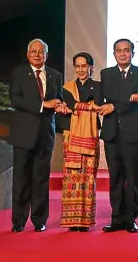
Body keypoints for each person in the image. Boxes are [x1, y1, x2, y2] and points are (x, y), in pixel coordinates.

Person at [9, 38, 64, 232]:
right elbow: (15, 99)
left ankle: (39, 220)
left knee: (41, 180)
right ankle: (19, 221)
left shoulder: (55, 75)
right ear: (27, 54)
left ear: (46, 55)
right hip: (23, 135)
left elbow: (59, 100)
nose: (37, 54)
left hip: (45, 135)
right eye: (34, 51)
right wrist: (43, 105)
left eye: (41, 51)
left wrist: (62, 106)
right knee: (21, 180)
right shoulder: (19, 73)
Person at [100, 38, 138, 233]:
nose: (123, 54)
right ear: (114, 54)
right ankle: (116, 218)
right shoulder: (106, 74)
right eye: (119, 51)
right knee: (115, 177)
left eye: (127, 50)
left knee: (132, 177)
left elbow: (137, 96)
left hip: (134, 132)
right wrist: (129, 97)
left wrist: (115, 103)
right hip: (112, 132)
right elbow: (108, 92)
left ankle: (131, 218)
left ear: (133, 53)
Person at [59, 52, 102, 232]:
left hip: (90, 137)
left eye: (84, 66)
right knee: (71, 178)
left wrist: (76, 106)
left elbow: (98, 102)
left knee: (88, 178)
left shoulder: (98, 86)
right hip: (71, 135)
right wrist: (88, 106)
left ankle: (85, 222)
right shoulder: (67, 87)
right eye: (77, 66)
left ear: (91, 68)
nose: (80, 70)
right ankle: (72, 221)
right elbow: (67, 103)